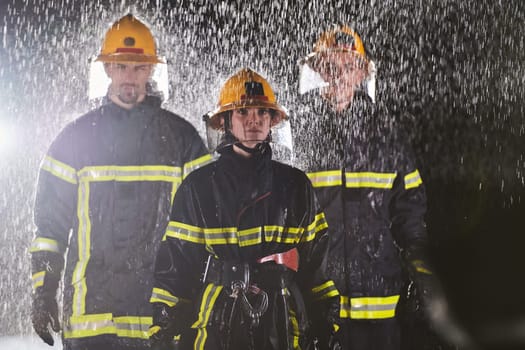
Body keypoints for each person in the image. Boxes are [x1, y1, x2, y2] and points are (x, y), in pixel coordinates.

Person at [29, 14, 211, 350]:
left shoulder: (183, 139)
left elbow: (209, 226)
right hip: (93, 321)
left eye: (139, 67)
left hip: (162, 321)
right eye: (122, 66)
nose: (130, 76)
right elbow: (49, 229)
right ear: (108, 68)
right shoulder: (74, 140)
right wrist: (44, 290)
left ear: (151, 71)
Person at [292, 25, 460, 350]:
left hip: (379, 303)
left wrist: (422, 274)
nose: (339, 76)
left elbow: (409, 214)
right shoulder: (297, 132)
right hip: (315, 302)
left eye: (349, 67)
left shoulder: (386, 134)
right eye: (330, 67)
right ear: (316, 72)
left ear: (362, 73)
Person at [148, 68, 340, 350]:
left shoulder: (296, 186)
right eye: (243, 112)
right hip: (215, 325)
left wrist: (326, 325)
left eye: (262, 113)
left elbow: (317, 270)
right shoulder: (198, 187)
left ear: (273, 121)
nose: (254, 120)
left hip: (282, 324)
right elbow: (177, 267)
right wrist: (164, 327)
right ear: (225, 121)